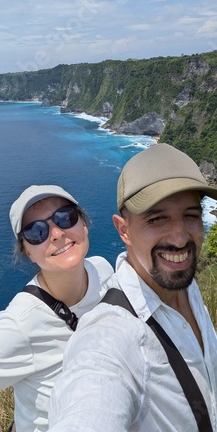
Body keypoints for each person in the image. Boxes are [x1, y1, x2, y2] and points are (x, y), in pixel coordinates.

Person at [48, 144, 217, 432]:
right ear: (123, 229)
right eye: (156, 219)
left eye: (190, 215)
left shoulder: (182, 284)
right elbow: (90, 401)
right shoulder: (111, 337)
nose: (179, 238)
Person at [0, 184, 114, 431]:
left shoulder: (103, 270)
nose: (56, 234)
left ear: (83, 223)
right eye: (36, 231)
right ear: (27, 251)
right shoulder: (20, 325)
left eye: (65, 217)